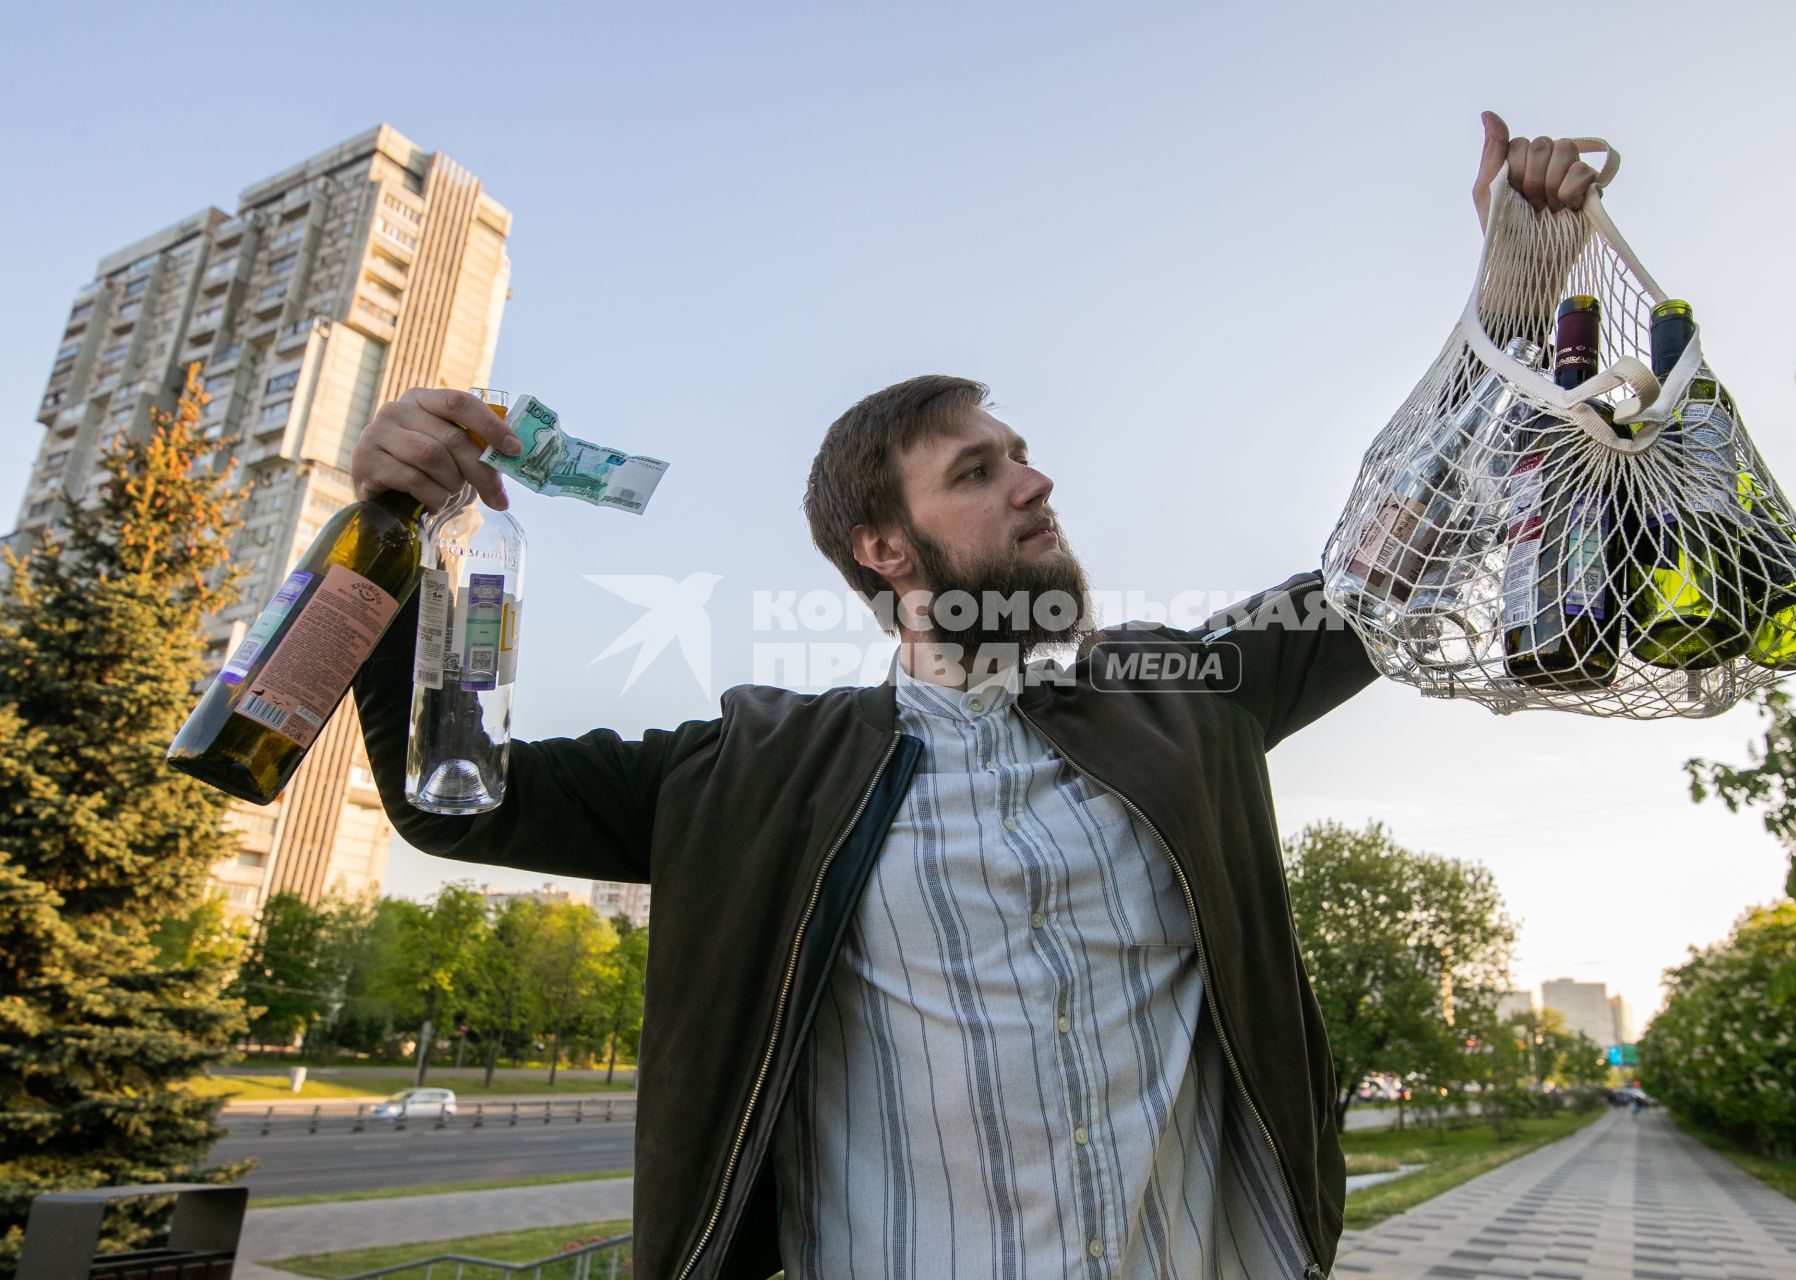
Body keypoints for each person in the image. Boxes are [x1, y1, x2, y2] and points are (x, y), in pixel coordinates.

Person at [346, 112, 1601, 1280]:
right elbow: (451, 798)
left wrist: (1521, 295)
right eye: (980, 469)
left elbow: (1388, 565)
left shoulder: (1182, 695)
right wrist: (393, 532)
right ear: (884, 549)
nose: (1036, 480)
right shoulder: (749, 771)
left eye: (1023, 452)